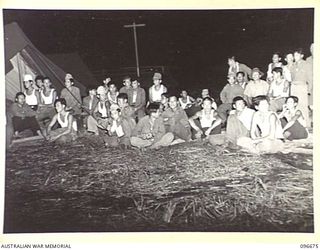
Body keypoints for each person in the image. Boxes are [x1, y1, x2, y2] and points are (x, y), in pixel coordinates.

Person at [290, 48, 312, 127]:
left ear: (302, 56)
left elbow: (310, 78)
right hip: (294, 87)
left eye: (296, 55)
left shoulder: (306, 64)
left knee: (303, 106)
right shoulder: (293, 65)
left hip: (302, 87)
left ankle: (307, 125)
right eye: (294, 55)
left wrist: (309, 90)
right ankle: (297, 125)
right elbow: (292, 78)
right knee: (295, 106)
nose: (294, 57)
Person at [306, 43, 313, 110]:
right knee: (310, 105)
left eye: (314, 48)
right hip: (311, 83)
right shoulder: (308, 59)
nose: (312, 50)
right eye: (311, 49)